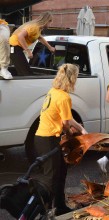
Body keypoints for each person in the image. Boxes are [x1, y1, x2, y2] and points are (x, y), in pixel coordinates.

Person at [33, 63, 87, 215]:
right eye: (76, 77)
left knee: (61, 172)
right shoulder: (64, 97)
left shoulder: (54, 91)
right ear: (71, 79)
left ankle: (60, 206)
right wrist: (73, 138)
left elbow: (67, 118)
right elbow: (65, 125)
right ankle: (46, 211)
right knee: (51, 177)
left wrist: (81, 129)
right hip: (48, 139)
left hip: (43, 138)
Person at [9, 12, 55, 76]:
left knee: (22, 70)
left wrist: (49, 47)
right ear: (47, 21)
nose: (50, 24)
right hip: (14, 47)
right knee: (26, 73)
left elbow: (40, 37)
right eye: (50, 22)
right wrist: (28, 51)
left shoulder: (38, 28)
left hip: (16, 48)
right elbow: (20, 36)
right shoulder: (34, 27)